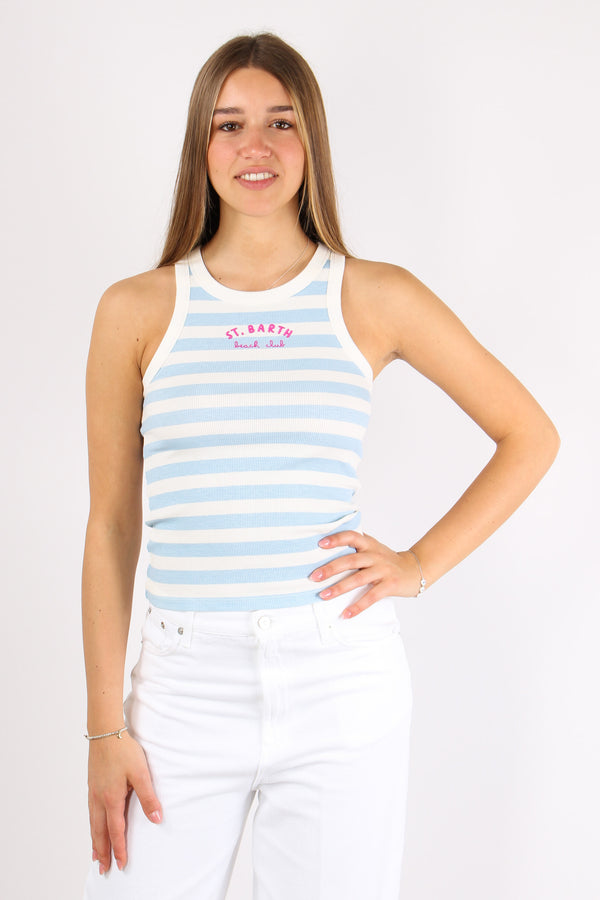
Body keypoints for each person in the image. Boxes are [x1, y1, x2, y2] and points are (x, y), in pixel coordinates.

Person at [81, 32, 559, 900]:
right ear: (201, 145)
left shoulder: (373, 295)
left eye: (281, 122)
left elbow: (530, 434)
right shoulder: (137, 310)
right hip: (182, 691)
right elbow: (113, 524)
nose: (255, 146)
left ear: (312, 141)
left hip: (338, 680)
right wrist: (103, 728)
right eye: (229, 124)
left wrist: (418, 564)